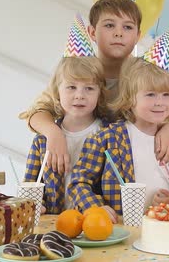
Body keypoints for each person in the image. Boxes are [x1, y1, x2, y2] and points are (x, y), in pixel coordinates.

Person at [23, 0, 169, 174]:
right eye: (109, 25)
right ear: (92, 32)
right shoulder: (77, 70)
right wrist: (53, 133)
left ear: (138, 35)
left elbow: (159, 110)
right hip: (80, 163)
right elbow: (37, 112)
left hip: (125, 172)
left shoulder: (144, 74)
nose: (118, 33)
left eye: (128, 27)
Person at [68, 28, 169, 223]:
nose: (159, 102)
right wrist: (95, 207)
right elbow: (78, 182)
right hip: (119, 230)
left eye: (166, 95)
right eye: (150, 94)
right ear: (130, 100)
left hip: (161, 231)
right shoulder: (107, 138)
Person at [21, 14, 112, 214]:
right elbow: (30, 184)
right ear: (57, 91)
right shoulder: (42, 141)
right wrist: (35, 206)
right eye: (71, 87)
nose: (80, 96)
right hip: (55, 221)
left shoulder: (109, 136)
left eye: (89, 89)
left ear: (100, 92)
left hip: (94, 221)